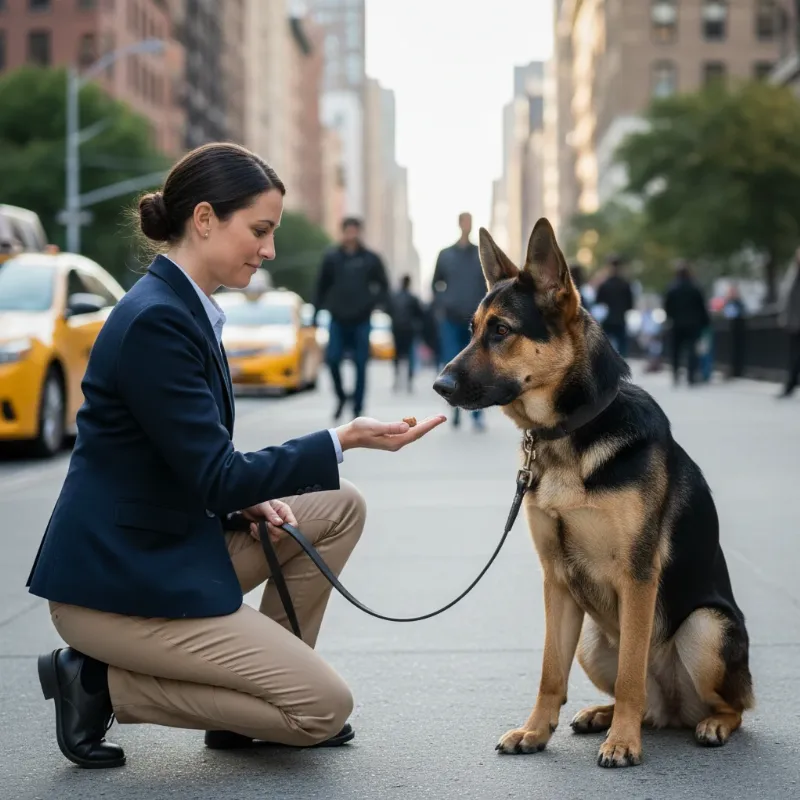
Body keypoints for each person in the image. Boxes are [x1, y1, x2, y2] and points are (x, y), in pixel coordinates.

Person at [26, 142, 445, 770]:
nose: (270, 249)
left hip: (165, 547)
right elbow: (216, 474)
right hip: (115, 589)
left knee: (337, 505)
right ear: (203, 219)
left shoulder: (185, 308)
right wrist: (342, 439)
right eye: (259, 230)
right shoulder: (156, 322)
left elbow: (189, 460)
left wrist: (250, 497)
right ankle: (96, 683)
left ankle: (251, 713)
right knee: (322, 709)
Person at [313, 217, 389, 420]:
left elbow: (383, 286)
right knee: (332, 359)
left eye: (355, 231)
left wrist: (375, 304)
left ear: (359, 232)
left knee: (361, 364)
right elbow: (321, 286)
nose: (351, 235)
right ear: (343, 232)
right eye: (348, 231)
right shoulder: (331, 257)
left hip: (362, 320)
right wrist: (316, 311)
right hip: (337, 319)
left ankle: (357, 406)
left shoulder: (371, 258)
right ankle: (341, 397)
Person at [431, 212, 489, 431]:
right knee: (451, 363)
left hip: (476, 321)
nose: (467, 225)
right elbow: (435, 284)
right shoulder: (445, 255)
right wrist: (443, 303)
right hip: (451, 318)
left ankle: (476, 413)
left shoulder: (479, 255)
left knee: (479, 365)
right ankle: (454, 408)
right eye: (464, 222)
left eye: (470, 222)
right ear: (459, 225)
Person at [663, 260, 710, 386]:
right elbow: (701, 307)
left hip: (676, 324)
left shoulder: (672, 288)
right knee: (692, 351)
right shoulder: (695, 288)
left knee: (676, 351)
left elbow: (667, 307)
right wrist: (705, 322)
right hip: (693, 324)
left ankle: (676, 375)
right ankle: (691, 376)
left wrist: (669, 319)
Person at [388, 274, 424, 392]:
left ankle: (397, 379)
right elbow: (420, 314)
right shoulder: (412, 298)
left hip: (397, 329)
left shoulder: (394, 297)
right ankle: (409, 382)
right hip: (409, 330)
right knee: (410, 356)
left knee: (397, 355)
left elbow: (388, 310)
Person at [594, 255, 634, 356]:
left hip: (607, 319)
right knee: (622, 347)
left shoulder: (604, 285)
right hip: (620, 319)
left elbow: (598, 302)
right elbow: (630, 305)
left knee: (604, 346)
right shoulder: (625, 285)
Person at [777, 250, 800, 398]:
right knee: (794, 355)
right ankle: (790, 384)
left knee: (795, 356)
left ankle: (790, 384)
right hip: (794, 322)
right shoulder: (794, 272)